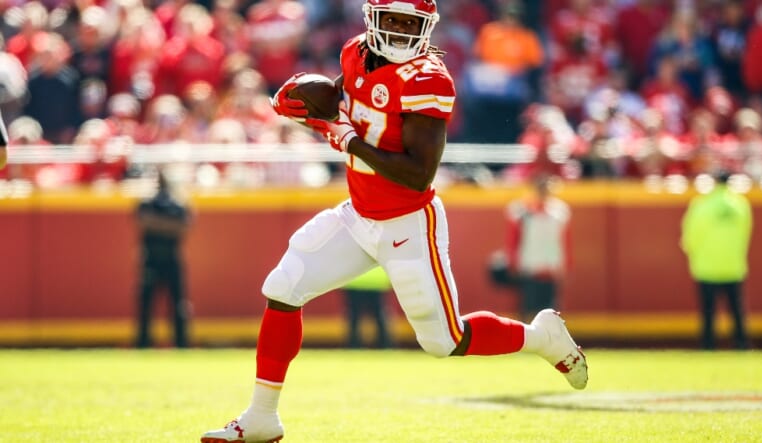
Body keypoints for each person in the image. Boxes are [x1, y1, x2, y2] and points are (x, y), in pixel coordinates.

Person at [201, 2, 588, 442]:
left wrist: (349, 141)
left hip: (408, 222)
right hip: (359, 214)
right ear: (373, 19)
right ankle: (261, 417)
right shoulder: (355, 51)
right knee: (283, 287)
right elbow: (341, 98)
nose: (401, 31)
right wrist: (308, 105)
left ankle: (541, 337)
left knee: (444, 341)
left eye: (411, 23)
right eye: (393, 20)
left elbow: (418, 172)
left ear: (427, 28)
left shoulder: (428, 80)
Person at [680, 171, 752, 350]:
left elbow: (690, 235)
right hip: (733, 266)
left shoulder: (702, 205)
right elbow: (746, 233)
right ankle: (741, 344)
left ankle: (708, 345)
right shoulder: (740, 205)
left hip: (706, 266)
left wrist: (693, 253)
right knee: (736, 310)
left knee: (708, 311)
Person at [135, 170, 191, 349]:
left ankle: (181, 343)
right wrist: (168, 225)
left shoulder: (175, 204)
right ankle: (143, 342)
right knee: (146, 304)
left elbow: (184, 225)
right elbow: (143, 221)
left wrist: (156, 224)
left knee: (178, 304)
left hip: (169, 259)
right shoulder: (149, 202)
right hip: (152, 259)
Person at [504, 176, 571, 320]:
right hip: (529, 266)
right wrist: (513, 261)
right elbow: (514, 239)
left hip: (551, 266)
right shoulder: (521, 212)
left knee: (551, 308)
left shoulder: (559, 212)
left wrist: (564, 265)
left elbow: (564, 240)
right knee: (527, 306)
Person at [343, 266, 393, 349]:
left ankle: (353, 346)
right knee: (379, 315)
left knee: (354, 316)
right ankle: (385, 346)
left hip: (354, 280)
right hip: (377, 281)